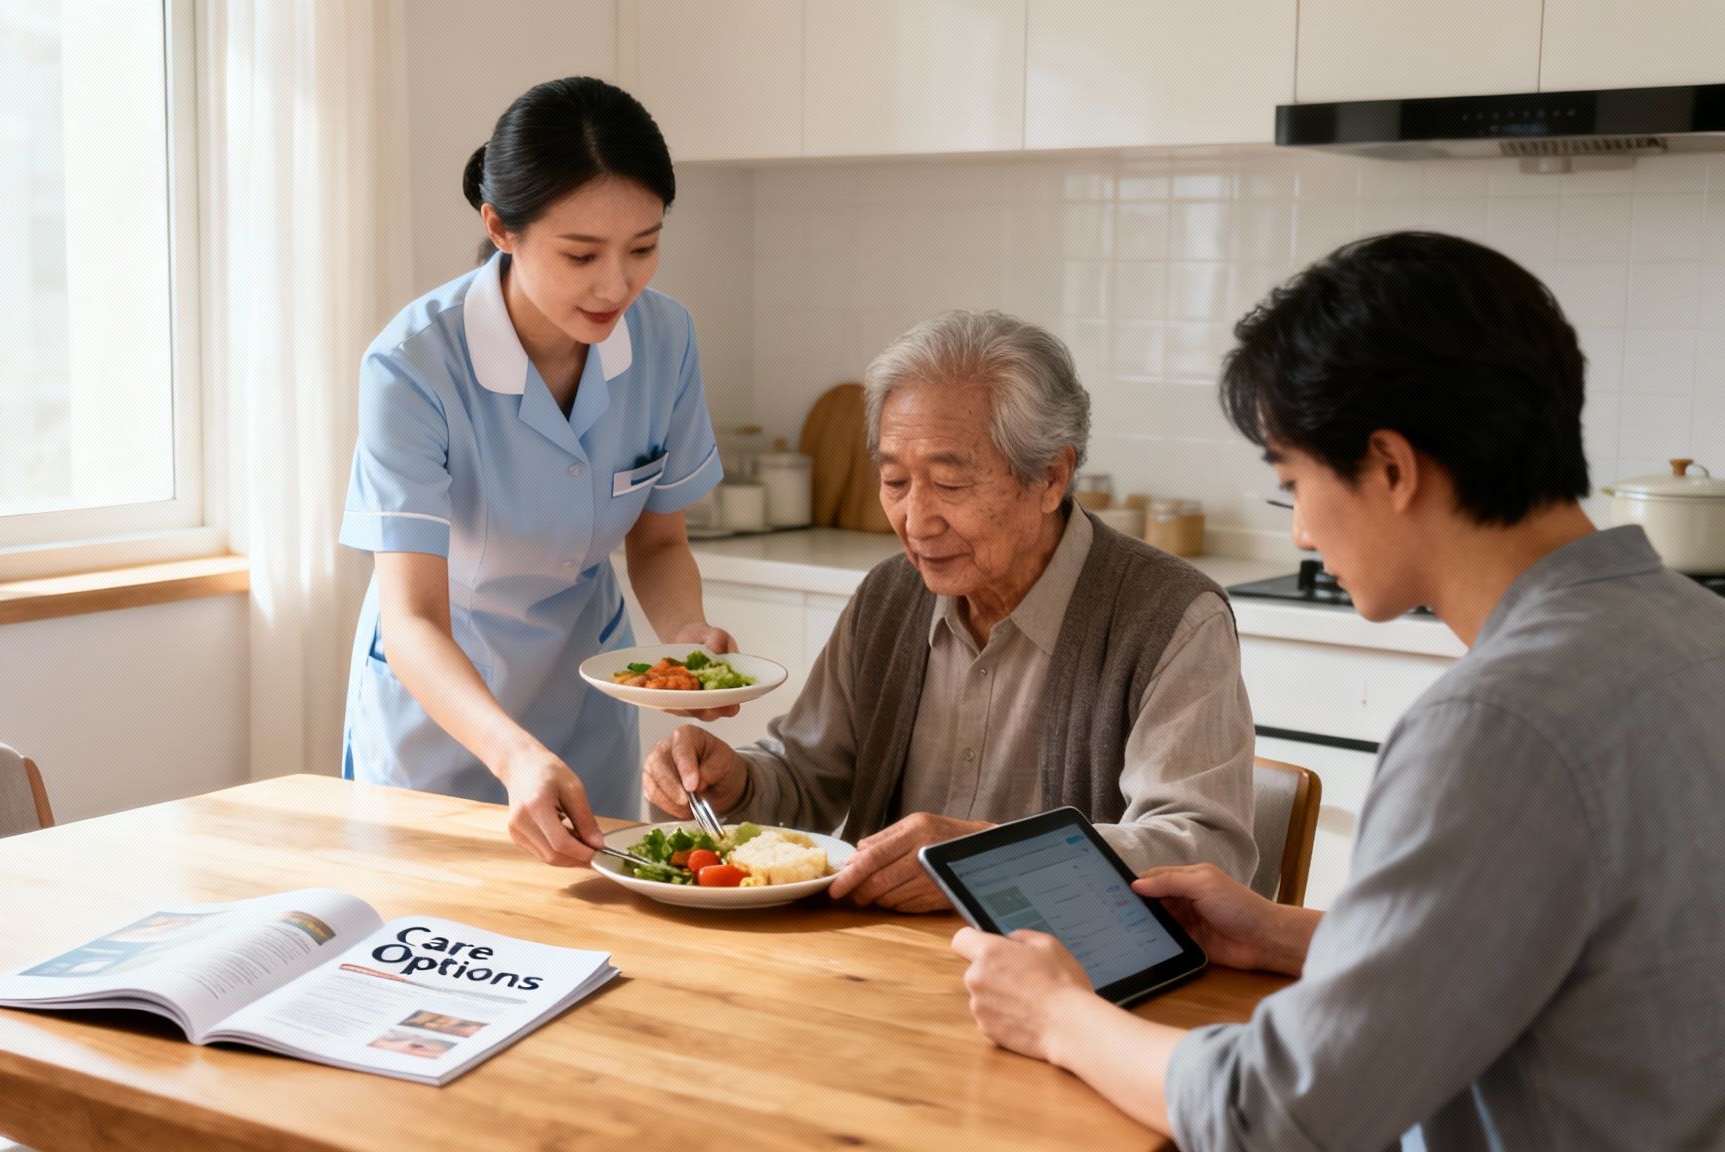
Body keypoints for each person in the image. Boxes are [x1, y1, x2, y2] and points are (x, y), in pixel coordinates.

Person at [952, 232, 1725, 1149]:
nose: (1302, 536)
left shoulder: (1493, 726)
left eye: (1294, 485)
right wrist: (1290, 935)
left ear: (1392, 468)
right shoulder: (1695, 634)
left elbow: (1283, 1111)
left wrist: (1060, 1017)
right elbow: (1577, 964)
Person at [645, 310, 1258, 912]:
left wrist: (987, 860)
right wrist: (737, 784)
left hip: (1075, 974)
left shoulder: (1171, 617)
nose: (915, 521)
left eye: (951, 484)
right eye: (894, 482)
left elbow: (1203, 849)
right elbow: (807, 777)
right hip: (885, 963)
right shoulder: (890, 596)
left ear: (1050, 477)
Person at [340, 77, 733, 868]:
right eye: (582, 254)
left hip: (585, 699)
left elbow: (658, 543)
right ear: (501, 228)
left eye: (644, 248)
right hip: (443, 709)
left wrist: (686, 641)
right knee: (432, 936)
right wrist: (513, 754)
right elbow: (411, 615)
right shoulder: (412, 364)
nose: (616, 285)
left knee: (596, 937)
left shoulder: (665, 338)